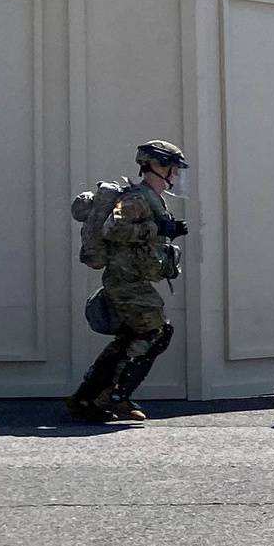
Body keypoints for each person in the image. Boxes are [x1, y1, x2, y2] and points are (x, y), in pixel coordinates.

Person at [66, 141, 190, 422]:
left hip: (131, 278)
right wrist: (159, 228)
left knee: (134, 336)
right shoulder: (137, 198)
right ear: (157, 166)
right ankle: (114, 396)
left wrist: (164, 231)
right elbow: (114, 228)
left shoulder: (152, 198)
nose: (176, 175)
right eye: (173, 168)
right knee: (156, 333)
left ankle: (86, 398)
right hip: (125, 280)